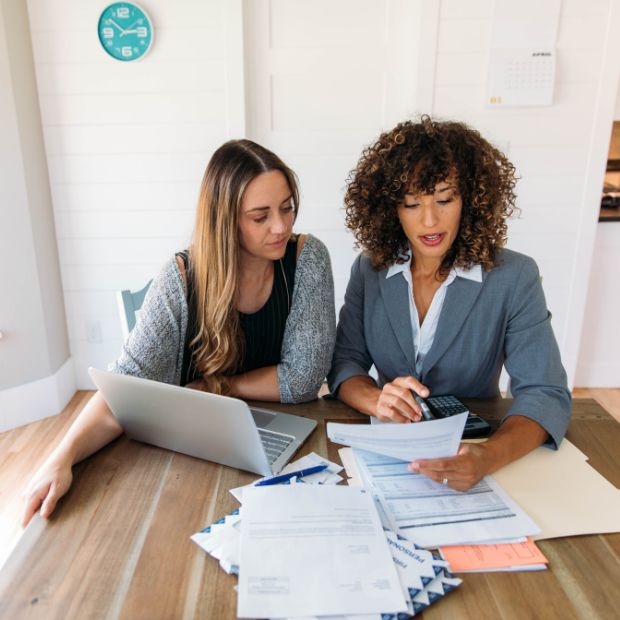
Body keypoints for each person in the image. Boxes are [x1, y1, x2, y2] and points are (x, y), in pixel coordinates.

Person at [23, 139, 336, 526]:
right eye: (260, 217)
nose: (281, 226)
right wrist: (61, 458)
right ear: (224, 220)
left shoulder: (307, 258)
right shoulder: (181, 280)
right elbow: (124, 389)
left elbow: (303, 380)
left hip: (278, 436)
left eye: (287, 208)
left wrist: (217, 386)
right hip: (190, 451)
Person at [328, 117, 571, 492]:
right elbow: (346, 362)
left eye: (444, 199)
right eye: (412, 203)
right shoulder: (370, 268)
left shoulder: (513, 277)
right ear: (391, 208)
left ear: (470, 200)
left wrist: (488, 456)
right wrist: (376, 400)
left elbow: (545, 393)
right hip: (389, 451)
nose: (429, 220)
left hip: (475, 445)